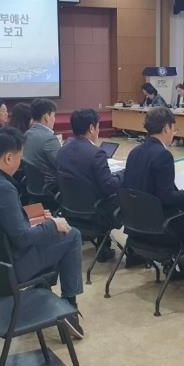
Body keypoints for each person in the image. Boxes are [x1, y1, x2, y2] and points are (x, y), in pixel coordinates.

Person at [0, 127, 85, 337]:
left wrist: (33, 217)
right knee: (71, 235)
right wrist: (52, 225)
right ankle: (69, 306)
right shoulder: (3, 188)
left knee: (48, 230)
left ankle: (47, 292)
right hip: (9, 269)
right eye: (20, 158)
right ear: (8, 157)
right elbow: (23, 239)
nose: (21, 163)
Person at [123, 107, 184, 283]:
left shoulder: (135, 152)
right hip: (161, 227)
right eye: (174, 129)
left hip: (136, 224)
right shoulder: (163, 155)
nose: (174, 133)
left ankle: (175, 263)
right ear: (166, 128)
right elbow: (167, 197)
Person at [57, 109, 121, 260]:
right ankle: (132, 252)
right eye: (98, 127)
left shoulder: (63, 150)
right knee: (126, 196)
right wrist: (122, 176)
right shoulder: (96, 153)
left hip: (68, 207)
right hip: (94, 212)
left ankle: (104, 247)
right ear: (92, 128)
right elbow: (109, 187)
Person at [23, 98, 60, 189]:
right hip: (50, 187)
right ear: (46, 117)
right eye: (53, 116)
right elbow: (62, 165)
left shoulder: (27, 134)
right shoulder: (49, 139)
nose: (54, 119)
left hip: (32, 185)